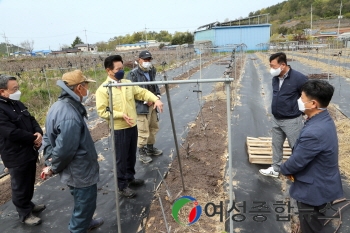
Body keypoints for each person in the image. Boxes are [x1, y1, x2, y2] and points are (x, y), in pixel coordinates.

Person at [42, 70, 103, 233]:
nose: (88, 89)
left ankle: (87, 222)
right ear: (79, 88)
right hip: (79, 171)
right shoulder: (69, 114)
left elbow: (47, 137)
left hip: (75, 170)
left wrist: (48, 159)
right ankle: (79, 228)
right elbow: (64, 150)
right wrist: (54, 166)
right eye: (86, 85)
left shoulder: (58, 106)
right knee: (84, 204)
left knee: (82, 202)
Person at [96, 55, 163, 198]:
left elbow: (142, 92)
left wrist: (155, 99)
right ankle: (122, 186)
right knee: (121, 157)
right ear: (109, 71)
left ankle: (130, 178)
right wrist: (120, 114)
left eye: (122, 68)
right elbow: (102, 111)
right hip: (119, 128)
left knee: (131, 154)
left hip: (132, 125)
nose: (121, 71)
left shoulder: (127, 83)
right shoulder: (103, 89)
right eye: (118, 69)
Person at [280, 80, 343, 233]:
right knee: (311, 221)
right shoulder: (323, 119)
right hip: (322, 180)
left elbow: (297, 162)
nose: (299, 101)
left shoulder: (315, 131)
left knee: (311, 226)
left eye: (302, 98)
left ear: (313, 103)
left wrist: (283, 168)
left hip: (313, 189)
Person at [0, 74, 45, 226]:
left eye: (18, 88)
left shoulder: (16, 103)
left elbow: (31, 119)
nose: (18, 91)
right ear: (2, 92)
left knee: (29, 181)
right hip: (15, 154)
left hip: (28, 151)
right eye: (14, 89)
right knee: (19, 185)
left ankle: (29, 204)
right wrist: (33, 138)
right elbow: (11, 133)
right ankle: (24, 214)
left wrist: (39, 132)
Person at [259, 52, 308, 177]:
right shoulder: (275, 78)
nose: (271, 69)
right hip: (276, 118)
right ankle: (276, 169)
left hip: (292, 120)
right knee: (276, 145)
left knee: (296, 147)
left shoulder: (299, 78)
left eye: (273, 66)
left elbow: (306, 97)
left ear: (283, 65)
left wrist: (303, 112)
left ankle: (299, 172)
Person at [127, 51, 162, 164]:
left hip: (152, 105)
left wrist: (156, 96)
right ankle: (142, 152)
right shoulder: (133, 74)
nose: (147, 62)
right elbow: (131, 91)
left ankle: (150, 148)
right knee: (143, 130)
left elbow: (154, 84)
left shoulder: (152, 70)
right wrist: (146, 100)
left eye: (149, 60)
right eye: (145, 60)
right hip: (141, 107)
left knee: (153, 126)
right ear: (139, 60)